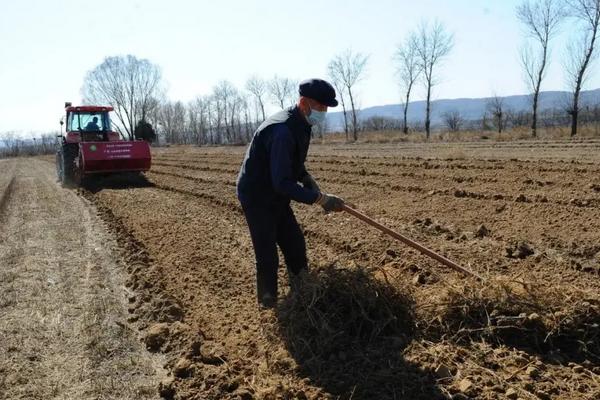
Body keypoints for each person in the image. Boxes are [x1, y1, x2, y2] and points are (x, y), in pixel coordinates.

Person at [237, 78, 345, 308]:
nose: (323, 112)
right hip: (257, 194)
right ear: (304, 103)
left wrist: (305, 177)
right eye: (320, 107)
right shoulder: (282, 131)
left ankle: (303, 291)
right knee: (267, 253)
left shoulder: (302, 124)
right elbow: (283, 183)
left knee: (294, 243)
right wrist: (320, 199)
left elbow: (292, 164)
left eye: (326, 108)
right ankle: (269, 303)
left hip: (275, 192)